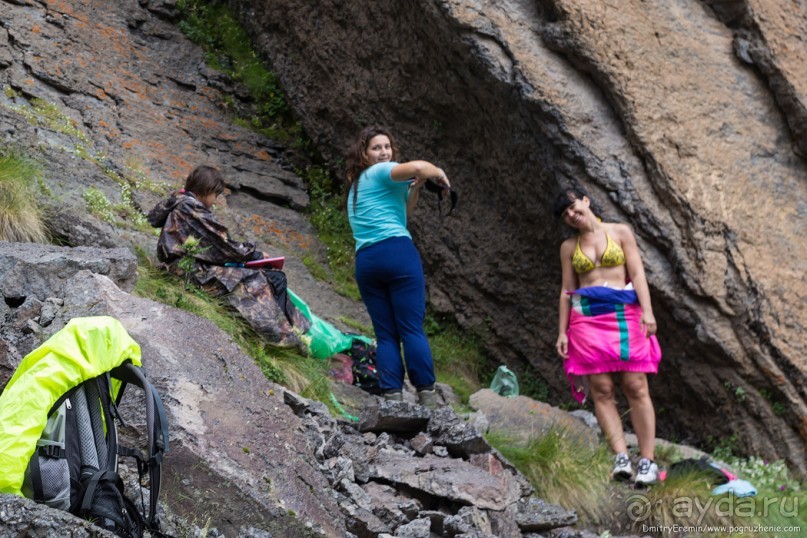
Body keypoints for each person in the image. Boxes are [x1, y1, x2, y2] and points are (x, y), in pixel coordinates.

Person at [553, 187, 662, 485]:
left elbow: (637, 273)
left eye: (573, 208)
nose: (572, 216)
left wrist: (648, 311)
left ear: (585, 201)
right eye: (566, 215)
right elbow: (566, 291)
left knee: (635, 384)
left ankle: (648, 461)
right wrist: (562, 331)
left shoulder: (620, 232)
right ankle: (621, 457)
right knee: (601, 389)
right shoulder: (568, 247)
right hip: (586, 320)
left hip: (625, 314)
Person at [345, 125, 451, 407]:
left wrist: (414, 190)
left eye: (387, 147)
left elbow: (402, 214)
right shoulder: (382, 171)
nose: (384, 152)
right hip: (397, 252)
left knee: (386, 334)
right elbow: (419, 166)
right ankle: (426, 395)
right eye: (376, 148)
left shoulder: (357, 185)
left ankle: (392, 395)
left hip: (367, 261)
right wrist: (439, 174)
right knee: (411, 329)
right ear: (365, 155)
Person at [147, 165, 309, 345]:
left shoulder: (180, 203)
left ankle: (291, 332)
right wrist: (254, 255)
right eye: (215, 195)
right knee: (262, 278)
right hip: (186, 270)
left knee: (273, 277)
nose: (215, 200)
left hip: (185, 265)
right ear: (206, 190)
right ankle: (285, 338)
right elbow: (222, 245)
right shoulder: (190, 208)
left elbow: (213, 245)